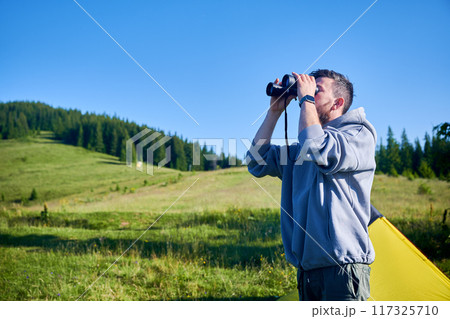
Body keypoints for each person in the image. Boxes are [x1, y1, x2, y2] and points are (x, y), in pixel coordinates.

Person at [246, 69, 376, 301]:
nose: (307, 92)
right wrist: (274, 112)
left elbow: (317, 147)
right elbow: (256, 162)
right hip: (307, 272)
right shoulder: (300, 151)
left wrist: (305, 99)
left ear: (338, 103)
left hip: (343, 270)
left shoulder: (358, 134)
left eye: (317, 90)